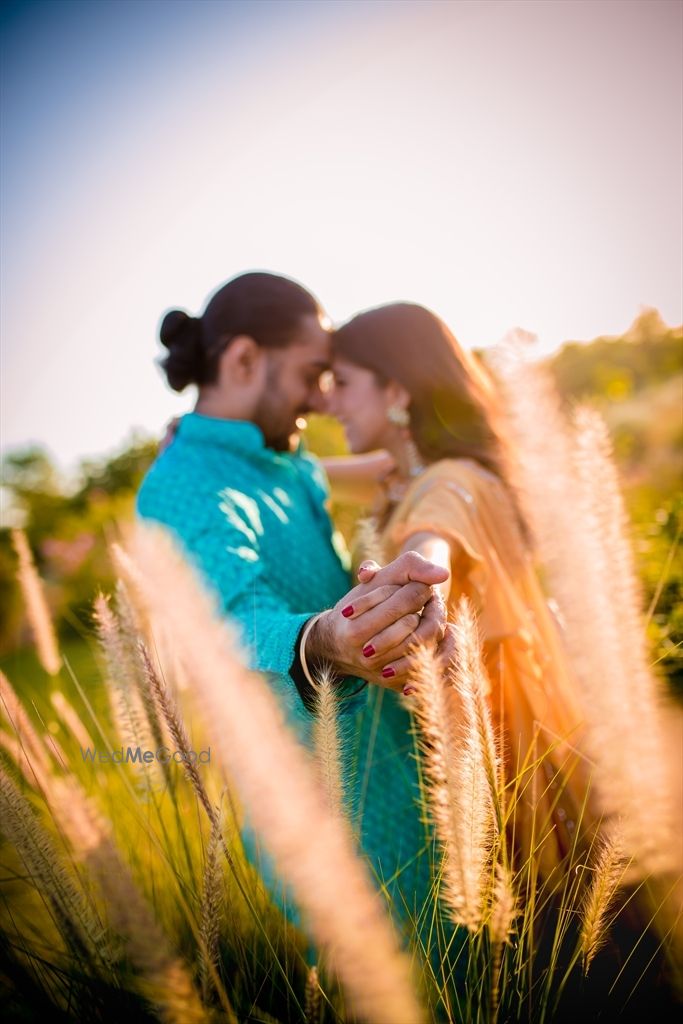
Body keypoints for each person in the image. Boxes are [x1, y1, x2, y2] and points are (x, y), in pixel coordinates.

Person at [135, 273, 459, 966]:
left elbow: (392, 460)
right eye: (312, 373)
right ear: (244, 359)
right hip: (338, 824)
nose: (321, 396)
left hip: (409, 772)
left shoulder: (289, 462)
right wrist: (324, 639)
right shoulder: (181, 485)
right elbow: (227, 627)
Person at [325, 301, 598, 879]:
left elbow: (432, 543)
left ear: (396, 392)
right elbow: (315, 471)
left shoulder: (448, 483)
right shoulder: (411, 472)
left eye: (343, 383)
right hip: (491, 735)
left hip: (502, 748)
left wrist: (414, 581)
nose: (329, 401)